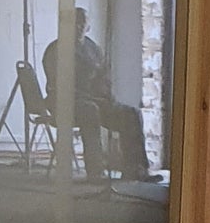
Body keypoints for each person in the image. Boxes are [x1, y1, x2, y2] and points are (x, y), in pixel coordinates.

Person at [41, 10, 148, 182]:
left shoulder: (93, 49)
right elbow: (58, 85)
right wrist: (89, 98)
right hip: (66, 103)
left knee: (131, 114)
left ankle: (136, 169)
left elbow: (103, 77)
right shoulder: (55, 50)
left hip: (96, 101)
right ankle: (95, 171)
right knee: (89, 110)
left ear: (88, 26)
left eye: (83, 23)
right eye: (75, 23)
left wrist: (107, 95)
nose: (79, 27)